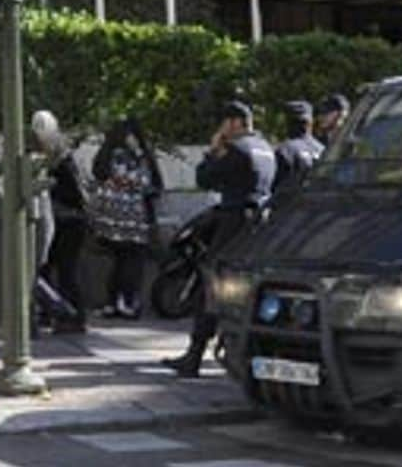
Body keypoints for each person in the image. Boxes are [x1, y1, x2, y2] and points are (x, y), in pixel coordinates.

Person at [165, 100, 275, 378]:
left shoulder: (237, 149)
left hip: (233, 222)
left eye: (224, 123)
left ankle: (194, 357)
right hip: (259, 224)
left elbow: (204, 178)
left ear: (235, 123)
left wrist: (213, 150)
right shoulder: (266, 149)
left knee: (212, 286)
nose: (222, 129)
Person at [89, 117, 162, 319]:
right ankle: (128, 301)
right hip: (134, 217)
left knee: (119, 260)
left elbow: (99, 173)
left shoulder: (107, 152)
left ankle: (112, 302)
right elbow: (148, 182)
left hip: (110, 218)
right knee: (133, 261)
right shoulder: (137, 154)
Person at [36, 111, 88, 334]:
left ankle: (74, 316)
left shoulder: (64, 163)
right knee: (47, 268)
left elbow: (76, 195)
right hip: (58, 221)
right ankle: (54, 312)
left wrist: (50, 187)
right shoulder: (55, 160)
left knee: (67, 271)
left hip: (69, 223)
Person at [273, 101, 325, 198]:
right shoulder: (324, 150)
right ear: (311, 122)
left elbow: (276, 188)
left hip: (291, 208)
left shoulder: (284, 150)